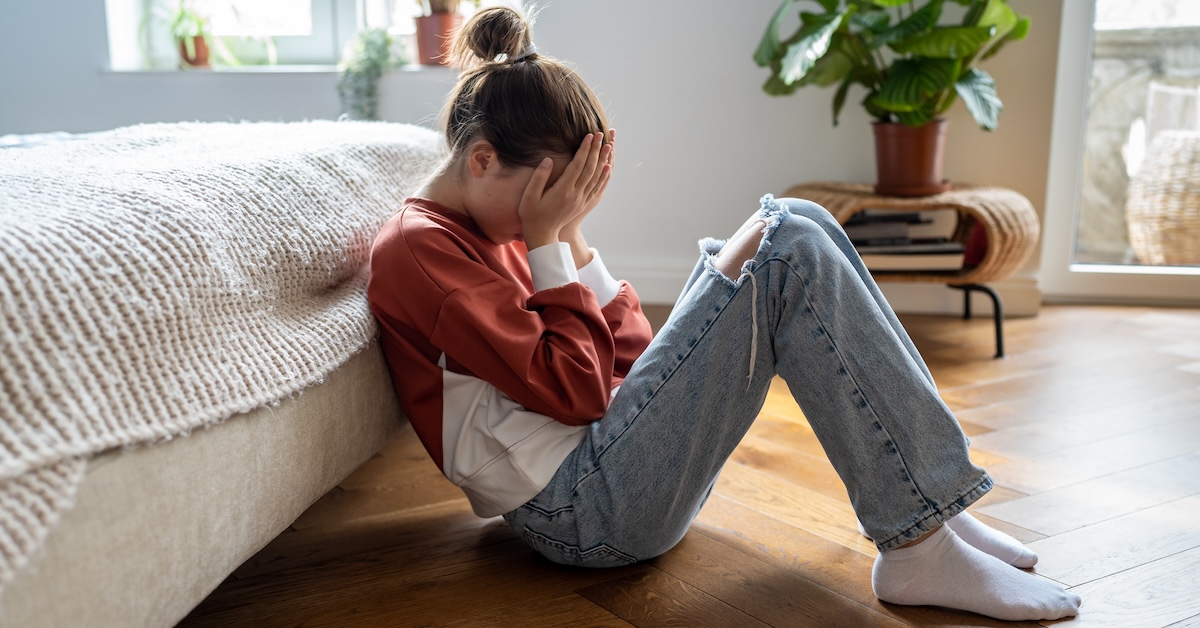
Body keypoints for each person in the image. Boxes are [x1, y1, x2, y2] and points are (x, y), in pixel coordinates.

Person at [367, 6, 1081, 622]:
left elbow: (629, 359)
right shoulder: (425, 251)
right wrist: (548, 240)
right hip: (578, 514)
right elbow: (579, 392)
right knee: (789, 244)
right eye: (549, 194)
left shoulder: (501, 227)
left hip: (605, 475)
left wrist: (572, 236)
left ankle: (933, 510)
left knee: (794, 222)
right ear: (483, 160)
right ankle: (920, 543)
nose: (546, 216)